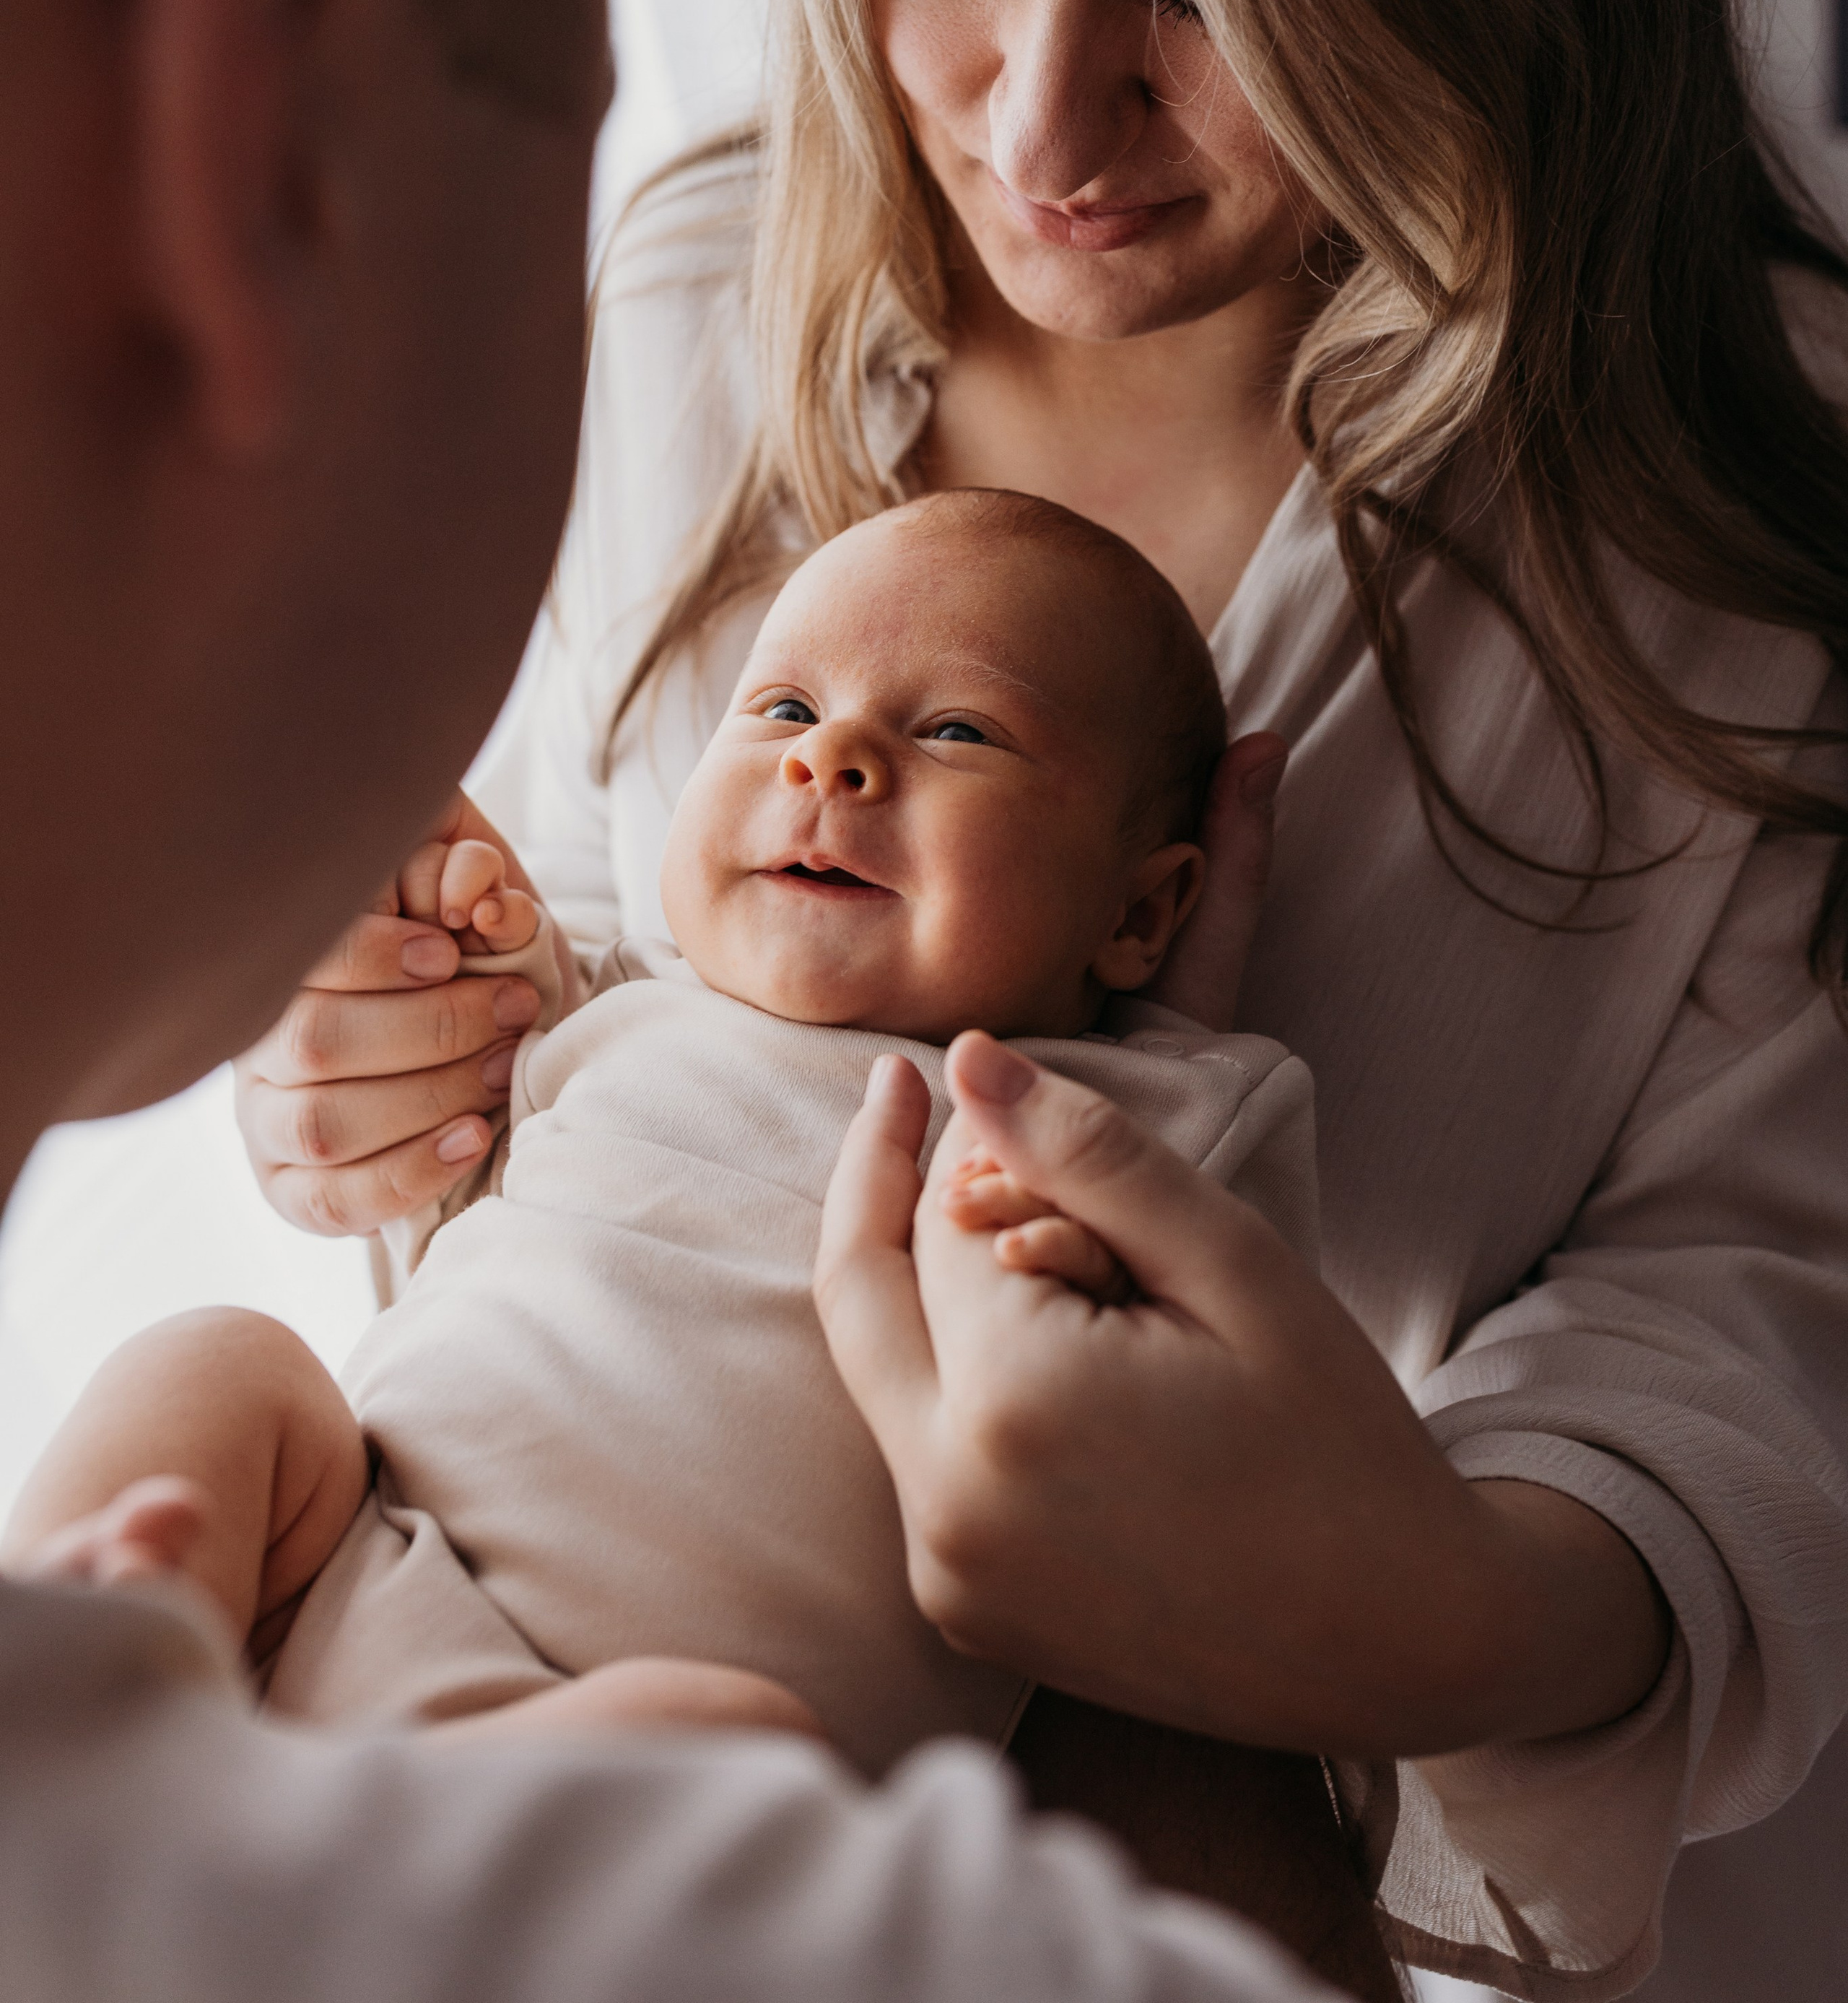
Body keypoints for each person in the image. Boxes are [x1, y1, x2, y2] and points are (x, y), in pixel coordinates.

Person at [237, 0, 1848, 1995]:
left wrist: (1403, 1603)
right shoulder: (702, 294)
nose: (1034, 111)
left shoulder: (1738, 506)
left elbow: (1755, 1347)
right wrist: (388, 1066)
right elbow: (622, 1039)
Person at [0, 0, 1356, 1998]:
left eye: (943, 730)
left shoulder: (1148, 1116)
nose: (1016, 118)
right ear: (259, 102)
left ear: (1158, 882)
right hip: (399, 1572)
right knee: (246, 1402)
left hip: (494, 1671)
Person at [8, 493, 1317, 1777]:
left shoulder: (1147, 1115)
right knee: (217, 1364)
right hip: (348, 1563)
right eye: (785, 710)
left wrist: (1165, 1039)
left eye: (960, 731)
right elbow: (481, 1092)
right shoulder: (631, 999)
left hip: (667, 1769)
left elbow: (1252, 1392)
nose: (830, 758)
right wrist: (460, 938)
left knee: (741, 1742)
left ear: (1144, 914)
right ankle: (72, 1673)